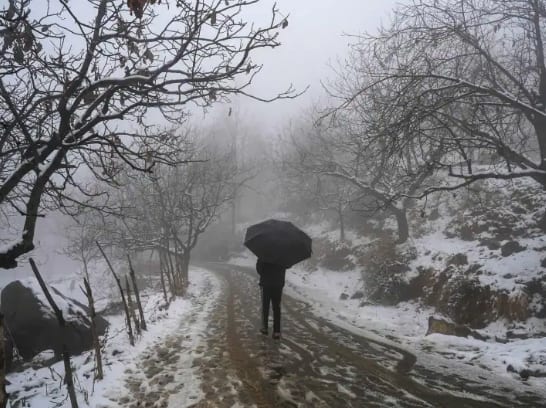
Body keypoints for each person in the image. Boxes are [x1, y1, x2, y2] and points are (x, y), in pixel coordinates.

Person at [256, 259, 286, 340]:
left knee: (265, 307)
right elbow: (286, 266)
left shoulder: (264, 255)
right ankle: (276, 332)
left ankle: (264, 328)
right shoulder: (283, 255)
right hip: (278, 285)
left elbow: (259, 269)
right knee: (277, 308)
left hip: (266, 284)